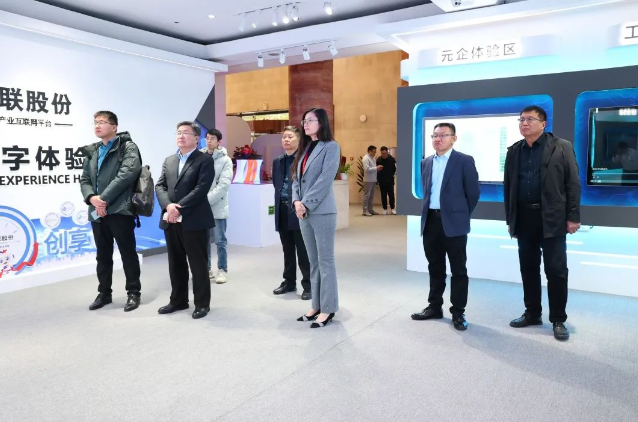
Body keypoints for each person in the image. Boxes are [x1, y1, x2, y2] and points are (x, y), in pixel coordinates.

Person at [504, 105, 581, 341]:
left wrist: (573, 216)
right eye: (521, 119)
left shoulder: (561, 146)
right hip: (524, 217)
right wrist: (511, 219)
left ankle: (558, 319)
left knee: (556, 270)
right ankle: (532, 312)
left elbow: (573, 183)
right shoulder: (514, 150)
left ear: (543, 124)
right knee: (528, 268)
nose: (524, 123)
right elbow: (509, 188)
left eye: (530, 119)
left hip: (552, 218)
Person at [411, 122, 480, 331]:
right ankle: (434, 307)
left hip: (454, 223)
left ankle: (458, 312)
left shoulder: (464, 161)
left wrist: (459, 215)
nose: (437, 139)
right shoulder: (426, 162)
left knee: (458, 269)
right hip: (431, 222)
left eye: (443, 135)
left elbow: (473, 194)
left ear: (454, 138)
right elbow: (427, 192)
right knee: (435, 267)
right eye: (434, 135)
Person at [80, 111, 142, 312]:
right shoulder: (93, 151)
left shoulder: (127, 147)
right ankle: (104, 293)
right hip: (97, 212)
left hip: (120, 209)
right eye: (95, 122)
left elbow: (127, 174)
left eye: (102, 122)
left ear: (114, 127)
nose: (97, 126)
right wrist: (92, 198)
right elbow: (85, 179)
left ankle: (133, 292)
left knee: (127, 253)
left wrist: (103, 199)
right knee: (102, 255)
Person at [155, 121, 215, 320]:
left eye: (186, 133)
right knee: (176, 263)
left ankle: (202, 304)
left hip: (194, 219)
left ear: (197, 138)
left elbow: (201, 188)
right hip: (171, 219)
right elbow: (160, 186)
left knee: (198, 264)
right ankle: (178, 300)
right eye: (178, 132)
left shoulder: (204, 160)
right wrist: (168, 206)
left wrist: (178, 207)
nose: (181, 136)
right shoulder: (170, 160)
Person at [292, 108, 341, 328]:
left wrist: (305, 203)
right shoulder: (304, 149)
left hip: (322, 211)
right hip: (303, 212)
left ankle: (328, 308)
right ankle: (316, 305)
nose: (305, 124)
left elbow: (325, 179)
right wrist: (296, 201)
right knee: (313, 262)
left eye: (310, 120)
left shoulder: (331, 147)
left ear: (321, 122)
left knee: (325, 261)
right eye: (304, 120)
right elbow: (296, 179)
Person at [272, 126, 311, 300]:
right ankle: (289, 282)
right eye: (284, 137)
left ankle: (309, 285)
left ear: (299, 140)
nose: (286, 140)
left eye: (290, 137)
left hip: (299, 210)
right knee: (287, 249)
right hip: (282, 209)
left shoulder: (304, 160)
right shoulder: (277, 161)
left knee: (303, 250)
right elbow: (277, 184)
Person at [200, 128, 232, 284]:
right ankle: (206, 269)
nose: (209, 141)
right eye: (207, 138)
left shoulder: (225, 160)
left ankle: (222, 270)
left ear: (219, 141)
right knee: (203, 240)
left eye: (212, 138)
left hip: (217, 205)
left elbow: (224, 185)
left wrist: (205, 200)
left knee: (220, 240)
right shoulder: (199, 157)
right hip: (200, 206)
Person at [362, 145, 383, 216]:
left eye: (375, 152)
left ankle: (370, 210)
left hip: (373, 179)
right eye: (374, 152)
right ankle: (365, 211)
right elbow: (367, 169)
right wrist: (376, 168)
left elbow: (373, 169)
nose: (374, 153)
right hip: (368, 180)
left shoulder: (373, 158)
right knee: (367, 196)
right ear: (369, 151)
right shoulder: (365, 158)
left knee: (371, 196)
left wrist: (378, 169)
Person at [376, 146, 397, 215]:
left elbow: (394, 169)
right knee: (383, 195)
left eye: (384, 153)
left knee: (391, 195)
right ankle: (384, 209)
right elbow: (376, 170)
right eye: (382, 153)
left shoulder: (392, 159)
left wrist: (391, 175)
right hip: (382, 181)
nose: (383, 155)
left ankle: (392, 208)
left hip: (390, 181)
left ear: (387, 152)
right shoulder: (378, 160)